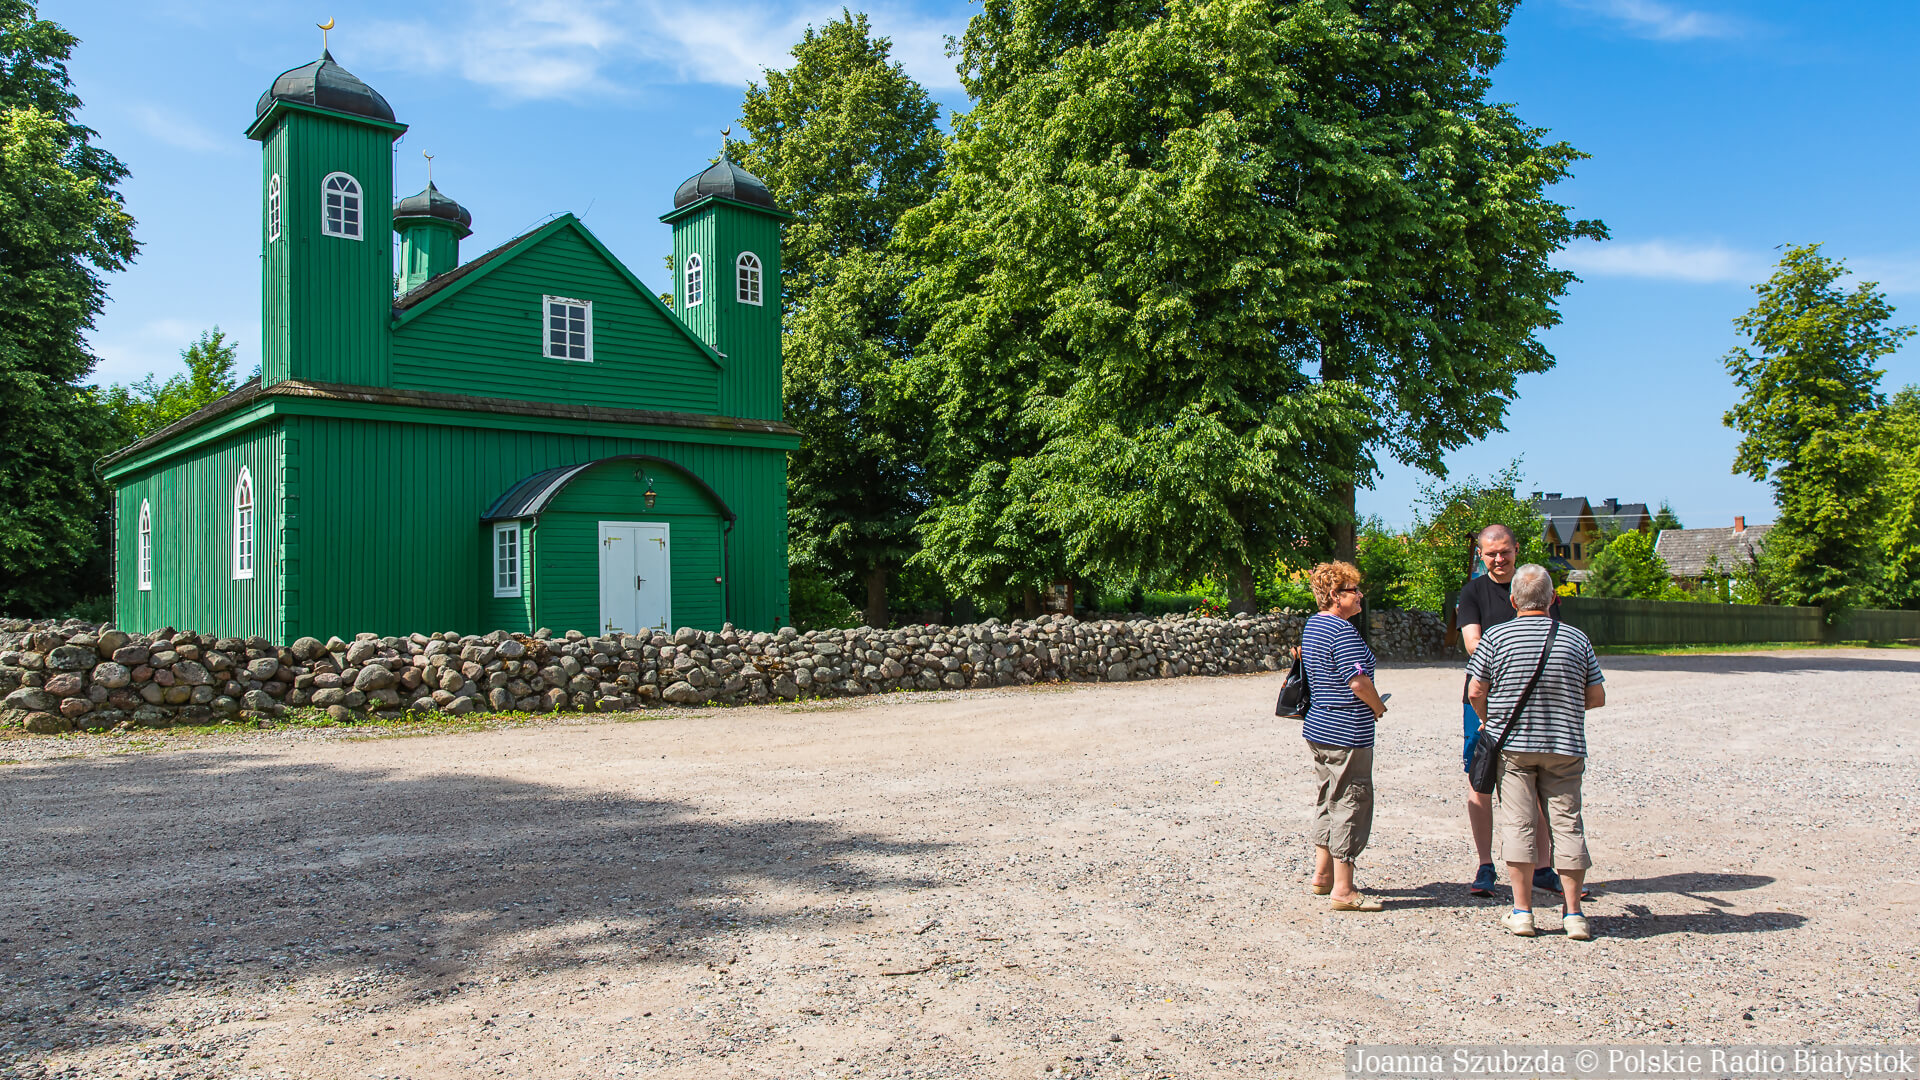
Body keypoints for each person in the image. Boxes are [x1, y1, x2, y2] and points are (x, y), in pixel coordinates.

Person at [1465, 563, 1606, 940]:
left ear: (1513, 601)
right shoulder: (1578, 640)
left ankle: (1522, 911)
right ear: (1553, 600)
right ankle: (1574, 914)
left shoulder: (1495, 638)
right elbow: (1596, 696)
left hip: (1514, 748)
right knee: (1567, 823)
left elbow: (1475, 691)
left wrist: (1487, 719)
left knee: (1519, 824)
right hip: (1565, 746)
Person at [1456, 523, 1563, 900]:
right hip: (1483, 694)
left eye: (1505, 551)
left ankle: (1543, 867)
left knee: (1538, 779)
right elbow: (1473, 644)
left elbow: (1553, 635)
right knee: (1480, 779)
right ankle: (1485, 865)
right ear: (1480, 556)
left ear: (1516, 549)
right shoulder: (1472, 592)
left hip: (1534, 699)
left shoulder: (1536, 585)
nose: (1499, 559)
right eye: (1491, 553)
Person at [1299, 561, 1389, 912]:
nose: (1360, 595)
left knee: (1328, 797)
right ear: (1336, 595)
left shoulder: (1314, 625)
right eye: (1354, 590)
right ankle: (1345, 889)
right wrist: (1378, 707)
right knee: (1351, 800)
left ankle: (1322, 876)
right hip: (1347, 731)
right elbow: (1357, 682)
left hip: (1319, 727)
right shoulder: (1342, 631)